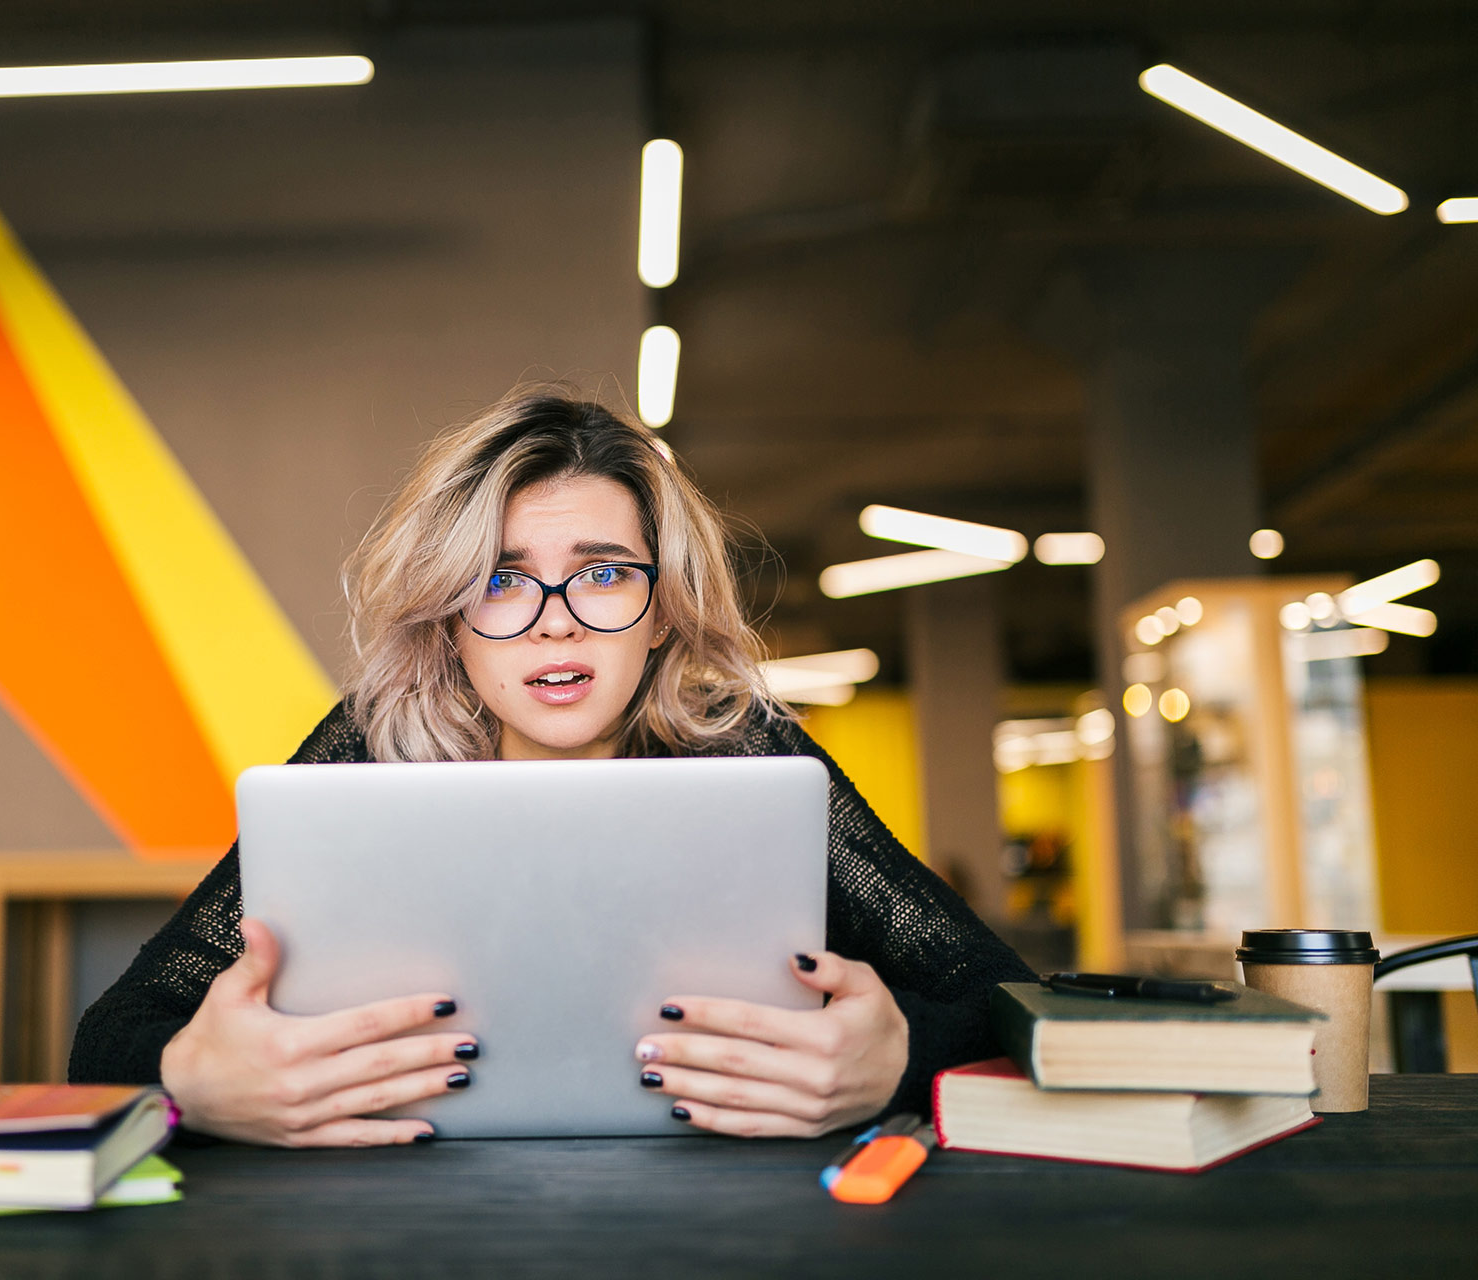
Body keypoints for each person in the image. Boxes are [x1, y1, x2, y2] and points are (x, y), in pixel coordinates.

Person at [70, 387, 1035, 1146]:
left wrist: (896, 1057)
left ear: (663, 610)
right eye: (501, 580)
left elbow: (1006, 1000)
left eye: (605, 571)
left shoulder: (746, 744)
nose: (555, 615)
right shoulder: (373, 744)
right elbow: (110, 1040)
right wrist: (195, 1080)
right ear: (455, 622)